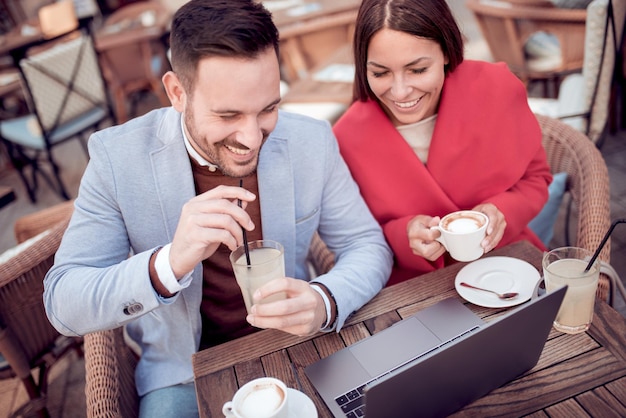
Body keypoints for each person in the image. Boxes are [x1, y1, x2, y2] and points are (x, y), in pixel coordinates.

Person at [43, 1, 393, 416]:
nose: (251, 137)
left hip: (296, 344)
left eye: (267, 108)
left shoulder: (311, 140)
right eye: (228, 114)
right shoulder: (117, 159)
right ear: (177, 92)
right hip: (181, 374)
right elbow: (63, 302)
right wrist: (167, 264)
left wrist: (325, 300)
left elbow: (367, 245)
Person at [333, 0, 552, 285]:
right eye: (380, 73)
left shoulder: (496, 89)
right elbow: (354, 236)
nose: (400, 92)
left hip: (507, 265)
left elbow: (536, 178)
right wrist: (404, 235)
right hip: (414, 287)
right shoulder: (346, 138)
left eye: (418, 69)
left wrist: (503, 212)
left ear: (447, 51)